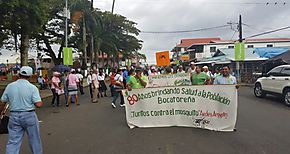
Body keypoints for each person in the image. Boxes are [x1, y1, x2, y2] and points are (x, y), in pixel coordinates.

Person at [1, 66, 43, 154]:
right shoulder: (32, 88)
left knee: (13, 141)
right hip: (29, 115)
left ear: (19, 74)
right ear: (30, 76)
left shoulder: (10, 86)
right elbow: (38, 104)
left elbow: (3, 101)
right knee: (34, 139)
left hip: (14, 116)